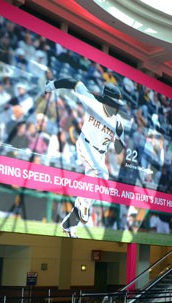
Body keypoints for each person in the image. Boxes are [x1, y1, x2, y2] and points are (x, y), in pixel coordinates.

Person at [45, 78, 126, 238]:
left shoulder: (118, 122)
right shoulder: (92, 101)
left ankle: (70, 224)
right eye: (113, 103)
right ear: (106, 99)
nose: (116, 107)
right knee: (102, 174)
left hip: (100, 155)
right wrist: (52, 85)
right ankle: (82, 205)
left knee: (95, 189)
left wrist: (117, 138)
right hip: (85, 144)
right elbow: (75, 83)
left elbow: (119, 149)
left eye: (117, 105)